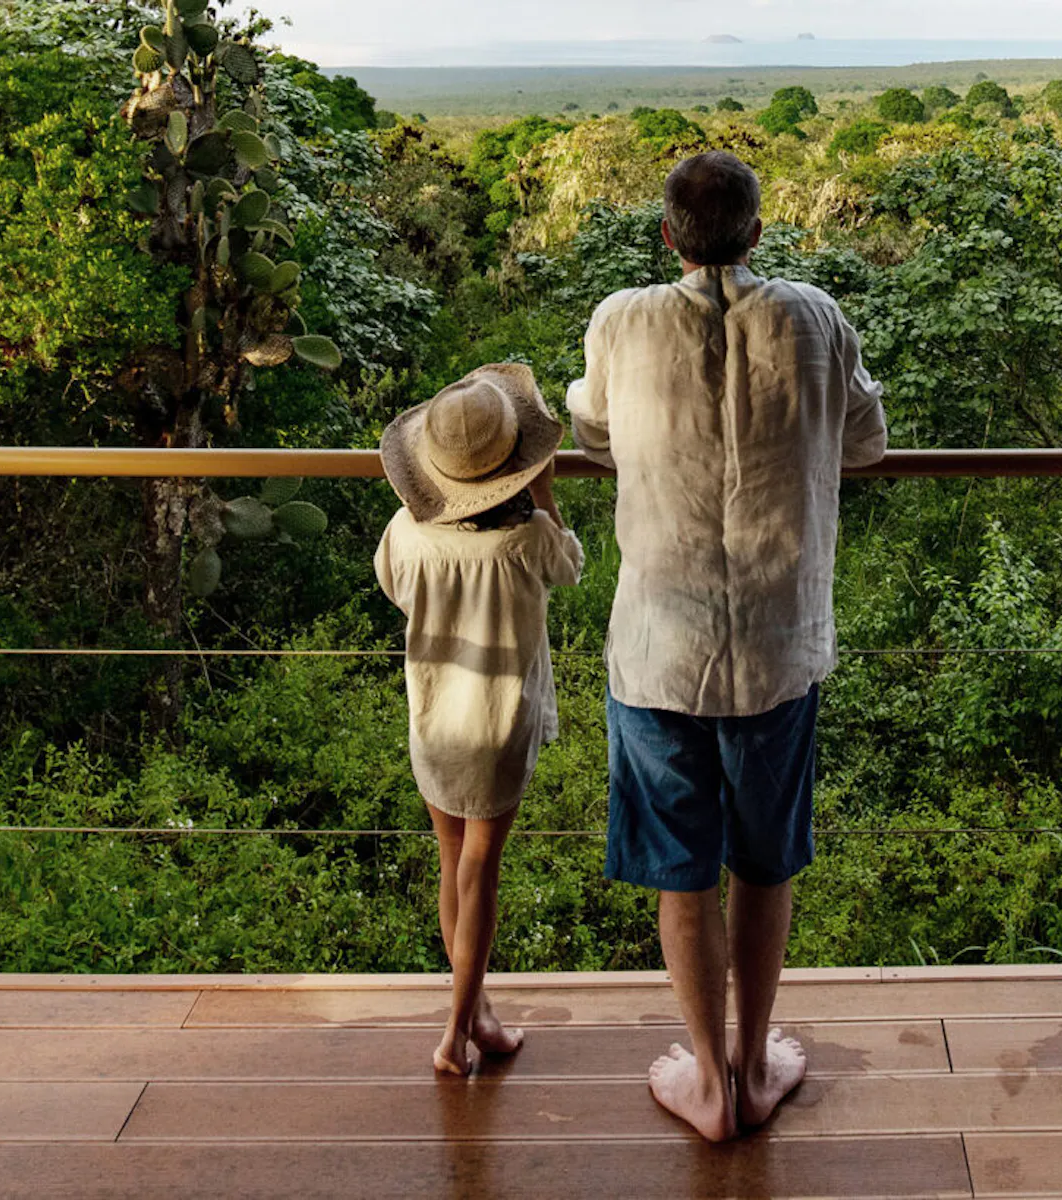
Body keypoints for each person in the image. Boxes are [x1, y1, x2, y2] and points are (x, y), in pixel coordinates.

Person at [569, 150, 887, 1141]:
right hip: (779, 647)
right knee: (762, 867)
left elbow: (591, 434)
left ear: (669, 236)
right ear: (757, 232)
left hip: (660, 650)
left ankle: (708, 1082)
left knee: (682, 871)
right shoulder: (816, 318)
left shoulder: (623, 320)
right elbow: (868, 442)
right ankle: (755, 1063)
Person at [375, 362, 584, 1077]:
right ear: (516, 467)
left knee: (451, 861)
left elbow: (395, 588)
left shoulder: (408, 532)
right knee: (481, 870)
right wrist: (549, 498)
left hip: (434, 716)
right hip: (498, 724)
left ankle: (478, 1012)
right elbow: (573, 566)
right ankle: (457, 1031)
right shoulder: (526, 543)